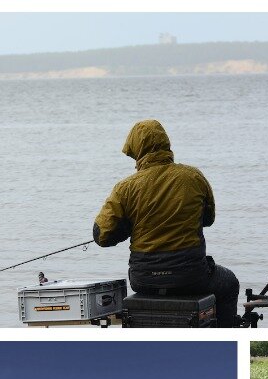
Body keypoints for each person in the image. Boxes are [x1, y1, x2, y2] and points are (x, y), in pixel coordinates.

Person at [93, 119, 240, 328]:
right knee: (229, 283)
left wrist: (128, 226)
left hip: (143, 279)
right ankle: (226, 336)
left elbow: (102, 237)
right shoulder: (193, 176)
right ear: (166, 143)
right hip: (192, 276)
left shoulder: (124, 188)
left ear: (136, 150)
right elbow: (208, 220)